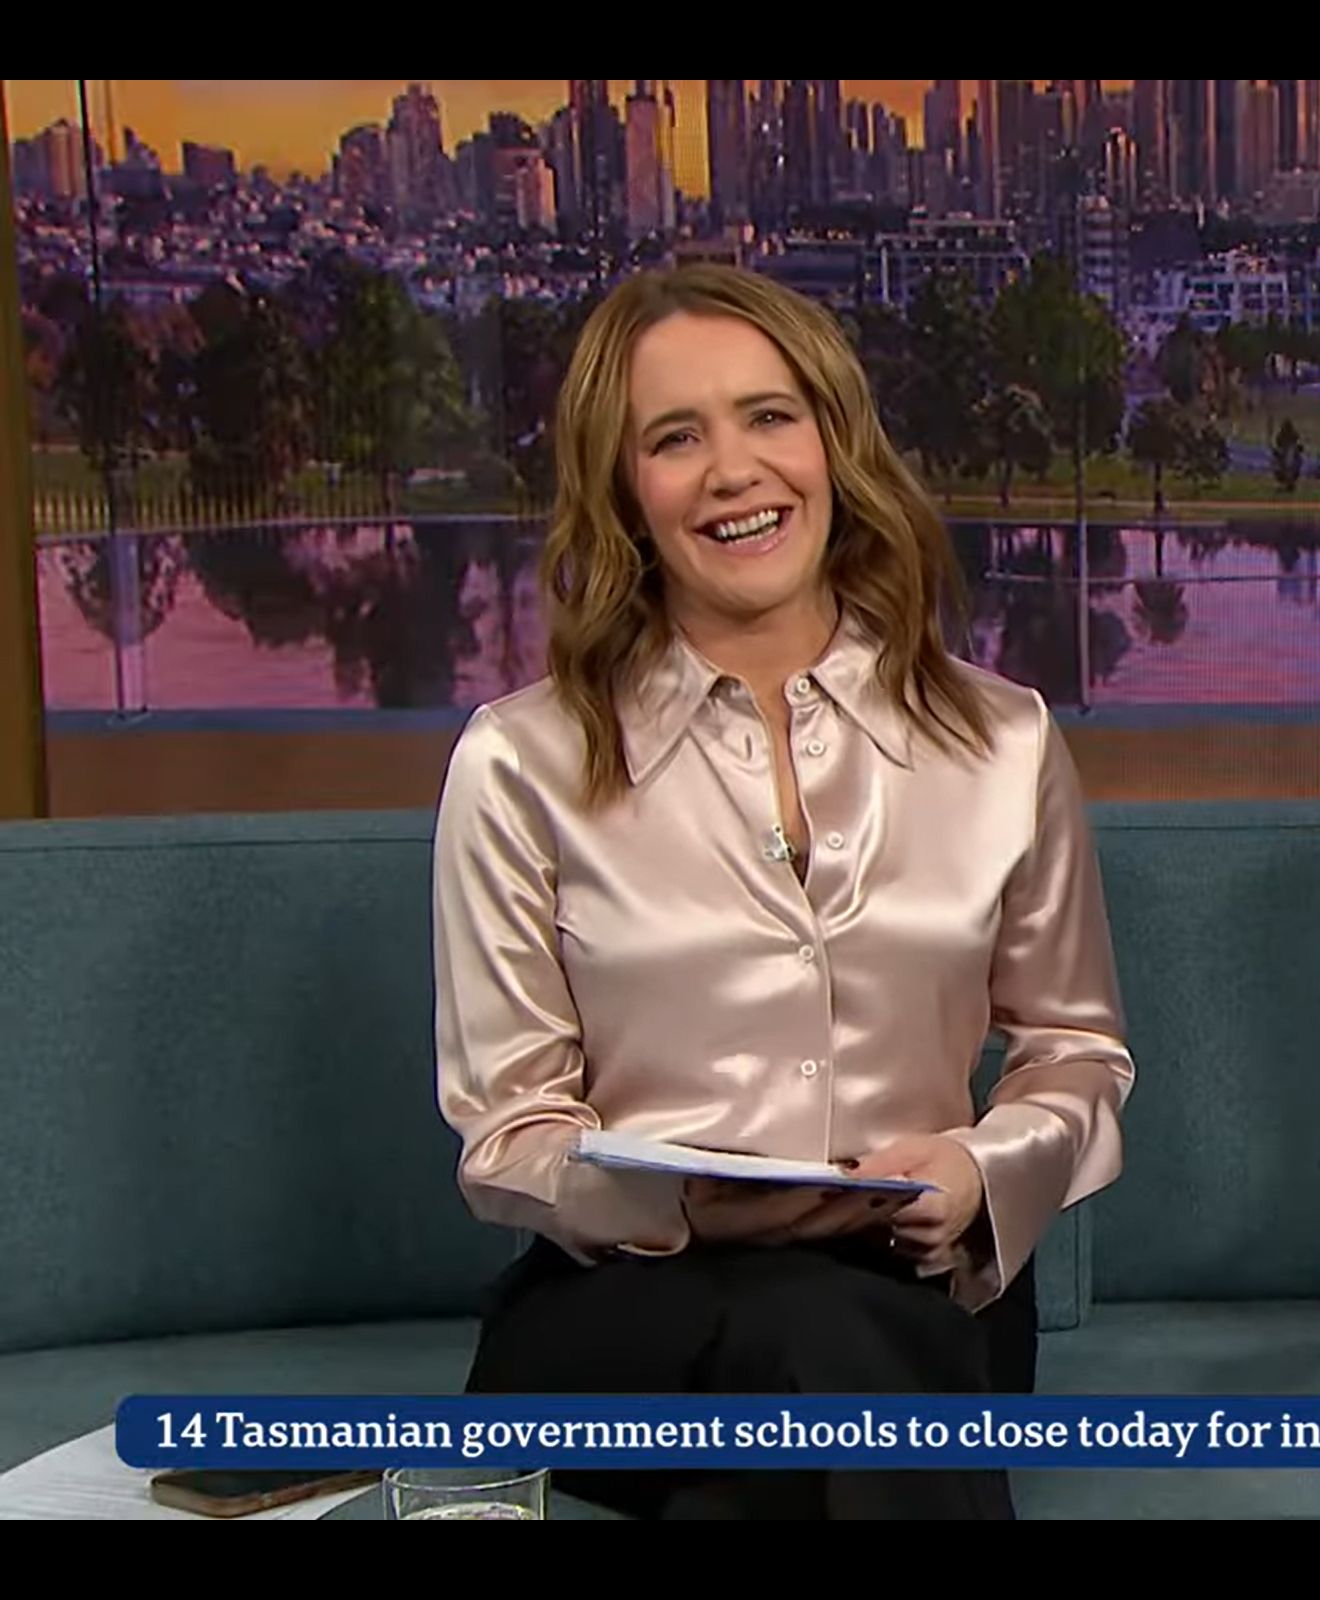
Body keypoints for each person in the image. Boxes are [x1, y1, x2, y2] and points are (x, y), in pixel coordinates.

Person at [431, 263, 1133, 1521]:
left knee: (816, 1386)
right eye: (674, 438)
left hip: (916, 1284)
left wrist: (979, 1171)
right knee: (831, 1370)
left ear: (832, 444)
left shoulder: (1004, 741)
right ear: (623, 489)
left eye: (768, 416)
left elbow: (1075, 1054)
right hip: (627, 1308)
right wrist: (670, 1198)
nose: (733, 470)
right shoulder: (518, 763)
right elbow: (507, 1132)